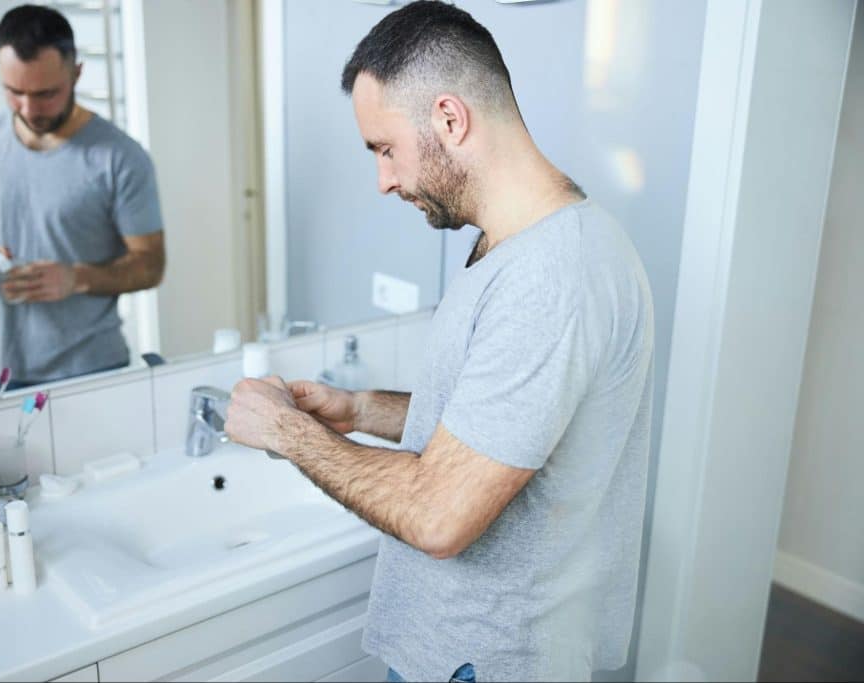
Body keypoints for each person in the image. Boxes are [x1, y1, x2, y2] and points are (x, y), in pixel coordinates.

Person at [224, 2, 655, 681]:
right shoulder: (511, 246)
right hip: (465, 649)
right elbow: (499, 424)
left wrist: (288, 433)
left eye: (385, 149)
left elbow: (438, 515)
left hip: (494, 658)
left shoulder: (554, 275)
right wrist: (361, 409)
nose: (384, 180)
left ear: (450, 119)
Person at [0, 4, 165, 395]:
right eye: (14, 92)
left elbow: (150, 265)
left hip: (91, 369)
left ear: (76, 74)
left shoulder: (121, 157)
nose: (28, 109)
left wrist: (77, 278)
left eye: (45, 94)